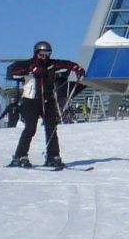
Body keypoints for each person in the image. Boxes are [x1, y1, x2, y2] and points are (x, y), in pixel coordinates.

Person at [6, 41, 86, 169]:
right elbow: (13, 71)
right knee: (30, 128)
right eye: (43, 54)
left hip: (48, 101)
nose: (45, 57)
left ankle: (52, 156)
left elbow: (65, 64)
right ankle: (20, 155)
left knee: (52, 128)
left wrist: (76, 68)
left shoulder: (51, 65)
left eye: (48, 54)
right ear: (36, 53)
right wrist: (31, 69)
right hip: (31, 100)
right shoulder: (28, 64)